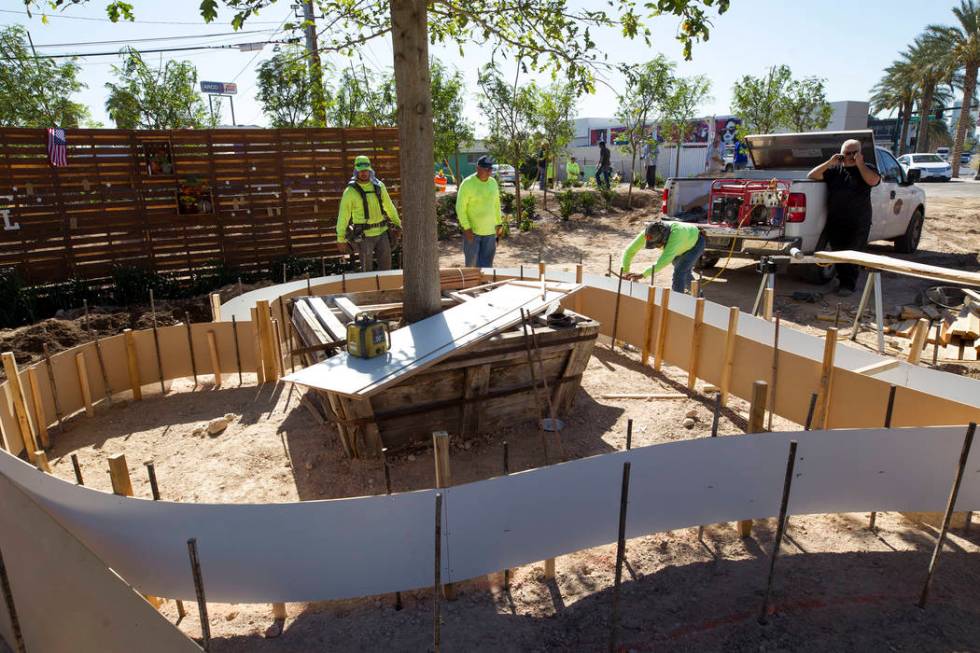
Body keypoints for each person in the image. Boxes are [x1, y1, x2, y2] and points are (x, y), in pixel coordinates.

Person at [807, 139, 881, 296]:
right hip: (836, 219)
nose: (851, 156)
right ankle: (842, 282)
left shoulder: (867, 169)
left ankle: (848, 285)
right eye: (848, 153)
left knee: (853, 254)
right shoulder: (835, 171)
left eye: (855, 152)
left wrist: (860, 164)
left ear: (860, 153)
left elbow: (873, 181)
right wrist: (830, 162)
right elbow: (812, 175)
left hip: (858, 220)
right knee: (839, 253)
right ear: (842, 154)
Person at [336, 155, 402, 272]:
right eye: (361, 170)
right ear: (356, 171)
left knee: (386, 269)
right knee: (367, 272)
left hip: (382, 233)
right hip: (364, 236)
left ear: (370, 170)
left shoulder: (379, 186)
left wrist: (398, 224)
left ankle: (386, 290)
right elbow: (343, 216)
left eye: (366, 170)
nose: (363, 173)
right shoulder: (350, 192)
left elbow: (389, 207)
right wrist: (340, 239)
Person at [621, 220, 705, 294]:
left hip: (695, 244)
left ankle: (678, 304)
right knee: (684, 272)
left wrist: (643, 274)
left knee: (679, 272)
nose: (657, 247)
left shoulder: (676, 234)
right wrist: (625, 272)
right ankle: (698, 296)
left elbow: (663, 261)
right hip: (682, 245)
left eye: (657, 244)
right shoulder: (649, 232)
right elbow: (629, 251)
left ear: (664, 238)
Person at [456, 155, 504, 268]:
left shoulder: (493, 183)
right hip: (473, 233)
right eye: (486, 169)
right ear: (477, 168)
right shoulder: (467, 184)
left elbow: (496, 205)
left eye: (491, 169)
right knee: (472, 264)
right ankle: (472, 285)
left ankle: (484, 285)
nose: (489, 172)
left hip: (490, 232)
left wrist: (499, 225)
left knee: (487, 264)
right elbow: (460, 207)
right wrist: (466, 228)